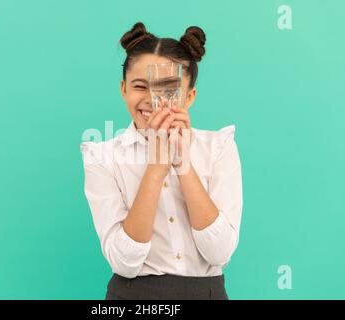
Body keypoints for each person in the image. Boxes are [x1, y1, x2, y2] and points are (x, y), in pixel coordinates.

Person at [80, 22, 243, 300]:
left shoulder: (218, 146)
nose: (153, 101)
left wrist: (182, 164)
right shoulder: (102, 157)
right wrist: (156, 168)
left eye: (168, 89)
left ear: (189, 96)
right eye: (140, 86)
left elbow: (219, 252)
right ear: (123, 89)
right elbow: (124, 262)